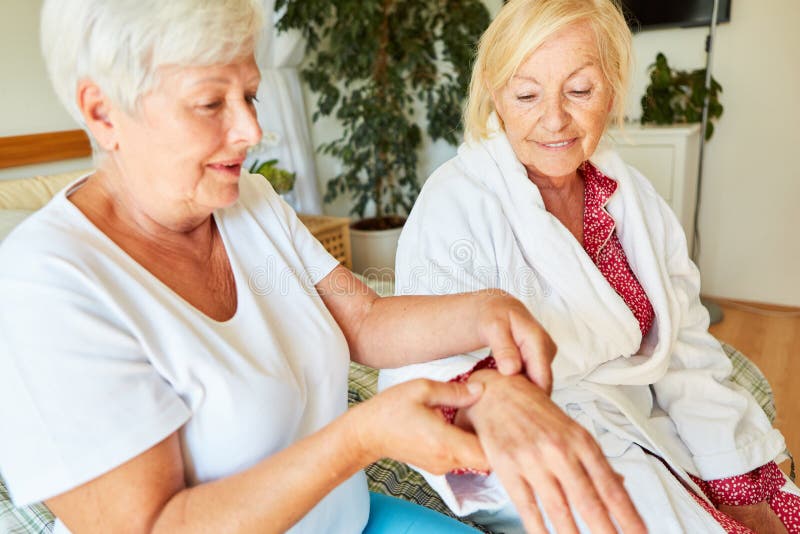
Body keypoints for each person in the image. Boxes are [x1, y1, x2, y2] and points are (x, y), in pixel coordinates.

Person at [0, 1, 648, 533]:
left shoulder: (247, 202)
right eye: (210, 104)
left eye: (249, 94)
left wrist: (488, 311)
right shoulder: (46, 286)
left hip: (345, 521)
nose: (252, 130)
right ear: (101, 111)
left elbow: (363, 319)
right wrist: (360, 438)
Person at [379, 0, 800, 532]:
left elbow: (686, 343)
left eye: (580, 90)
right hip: (538, 443)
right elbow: (425, 367)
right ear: (493, 91)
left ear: (613, 86)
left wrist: (734, 477)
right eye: (527, 94)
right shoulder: (454, 203)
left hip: (634, 420)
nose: (554, 119)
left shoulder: (631, 196)